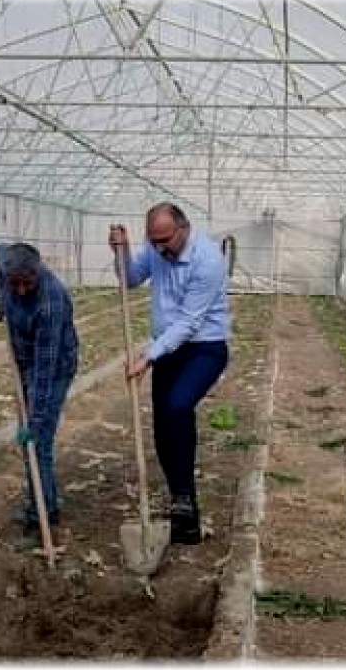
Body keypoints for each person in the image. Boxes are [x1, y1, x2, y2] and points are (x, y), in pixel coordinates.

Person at [108, 203, 230, 545]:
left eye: (165, 240)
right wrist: (124, 250)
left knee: (178, 406)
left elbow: (190, 323)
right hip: (166, 347)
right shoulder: (155, 247)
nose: (160, 248)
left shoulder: (208, 261)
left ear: (183, 228)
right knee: (163, 424)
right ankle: (179, 496)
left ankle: (186, 500)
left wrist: (149, 355)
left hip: (204, 348)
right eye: (153, 241)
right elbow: (131, 280)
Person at [0, 242, 79, 531]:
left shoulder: (49, 301)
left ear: (37, 273)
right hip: (25, 362)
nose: (20, 291)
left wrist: (34, 419)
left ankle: (44, 510)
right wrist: (3, 303)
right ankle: (40, 501)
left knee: (37, 440)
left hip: (53, 369)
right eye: (13, 284)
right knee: (32, 442)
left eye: (26, 284)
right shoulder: (6, 267)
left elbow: (44, 371)